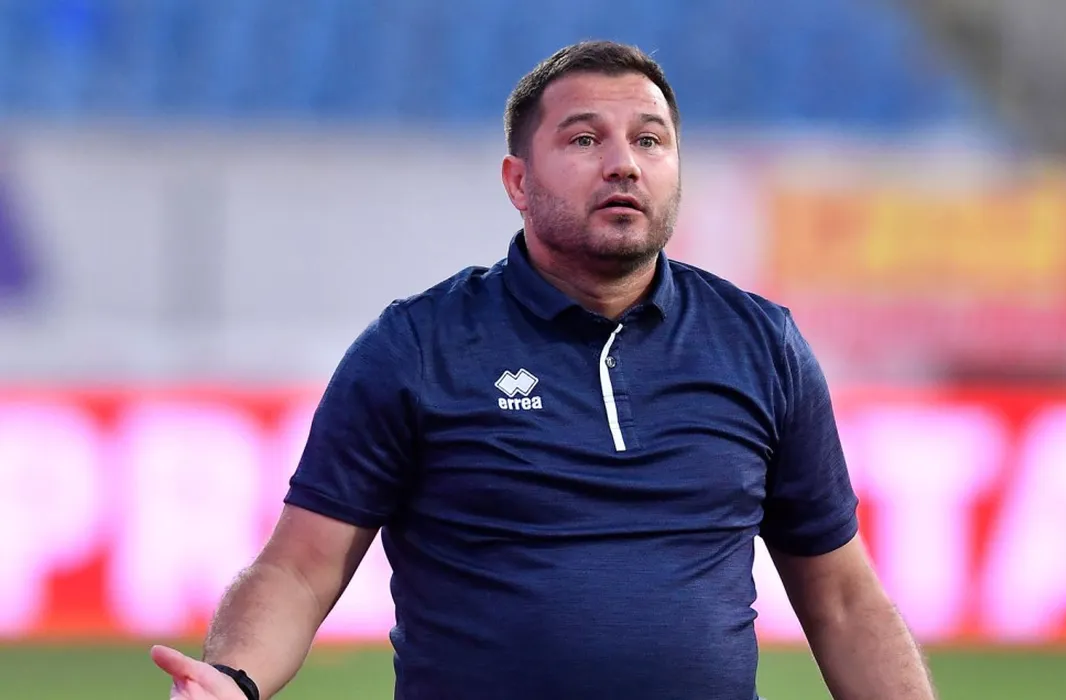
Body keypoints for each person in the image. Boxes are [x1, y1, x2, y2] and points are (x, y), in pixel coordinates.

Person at [150, 40, 937, 700]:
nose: (624, 164)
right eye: (584, 140)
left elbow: (842, 599)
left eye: (650, 141)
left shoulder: (760, 345)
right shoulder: (418, 346)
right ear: (518, 182)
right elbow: (299, 570)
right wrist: (235, 681)